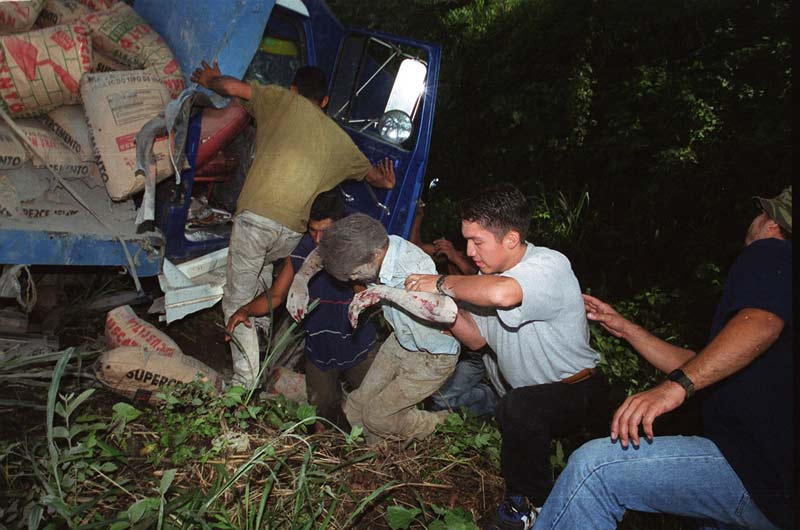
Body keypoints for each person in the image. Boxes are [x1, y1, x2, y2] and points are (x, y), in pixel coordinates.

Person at [532, 186, 793, 530]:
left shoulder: (771, 253)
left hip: (753, 469)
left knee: (595, 469)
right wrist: (623, 326)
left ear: (772, 223)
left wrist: (675, 388)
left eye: (761, 213)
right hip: (775, 493)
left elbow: (761, 324)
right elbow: (701, 363)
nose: (755, 220)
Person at [405, 184, 608, 529]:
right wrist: (442, 311)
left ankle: (537, 508)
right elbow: (476, 340)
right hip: (535, 401)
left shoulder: (549, 265)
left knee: (517, 407)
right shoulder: (486, 279)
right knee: (518, 406)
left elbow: (502, 294)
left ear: (511, 239)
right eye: (466, 240)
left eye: (477, 241)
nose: (469, 251)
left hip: (579, 389)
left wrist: (439, 282)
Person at [191, 60, 395, 387]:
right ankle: (255, 363)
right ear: (325, 101)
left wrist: (211, 78)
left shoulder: (283, 100)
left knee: (236, 299)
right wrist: (385, 182)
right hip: (292, 234)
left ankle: (242, 390)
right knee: (261, 292)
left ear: (295, 89)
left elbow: (231, 88)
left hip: (257, 221)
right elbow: (373, 176)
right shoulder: (340, 140)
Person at [286, 213, 461, 443]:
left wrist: (382, 292)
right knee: (355, 412)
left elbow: (448, 311)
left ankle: (441, 422)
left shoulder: (411, 265)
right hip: (400, 341)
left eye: (355, 273)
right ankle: (376, 456)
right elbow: (323, 252)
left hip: (433, 357)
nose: (353, 280)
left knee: (378, 418)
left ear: (375, 256)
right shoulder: (369, 243)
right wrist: (300, 282)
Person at [225, 191, 377, 430]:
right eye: (312, 230)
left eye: (325, 232)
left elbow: (368, 293)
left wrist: (351, 274)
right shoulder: (301, 250)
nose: (317, 239)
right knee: (321, 416)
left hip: (357, 345)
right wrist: (245, 309)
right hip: (319, 348)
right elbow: (276, 296)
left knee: (374, 410)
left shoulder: (356, 250)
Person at [409, 201, 500, 417]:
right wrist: (418, 216)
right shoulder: (449, 252)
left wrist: (455, 258)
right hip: (459, 341)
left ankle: (490, 401)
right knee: (437, 395)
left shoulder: (480, 261)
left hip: (481, 347)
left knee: (443, 399)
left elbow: (480, 286)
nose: (471, 249)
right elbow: (414, 247)